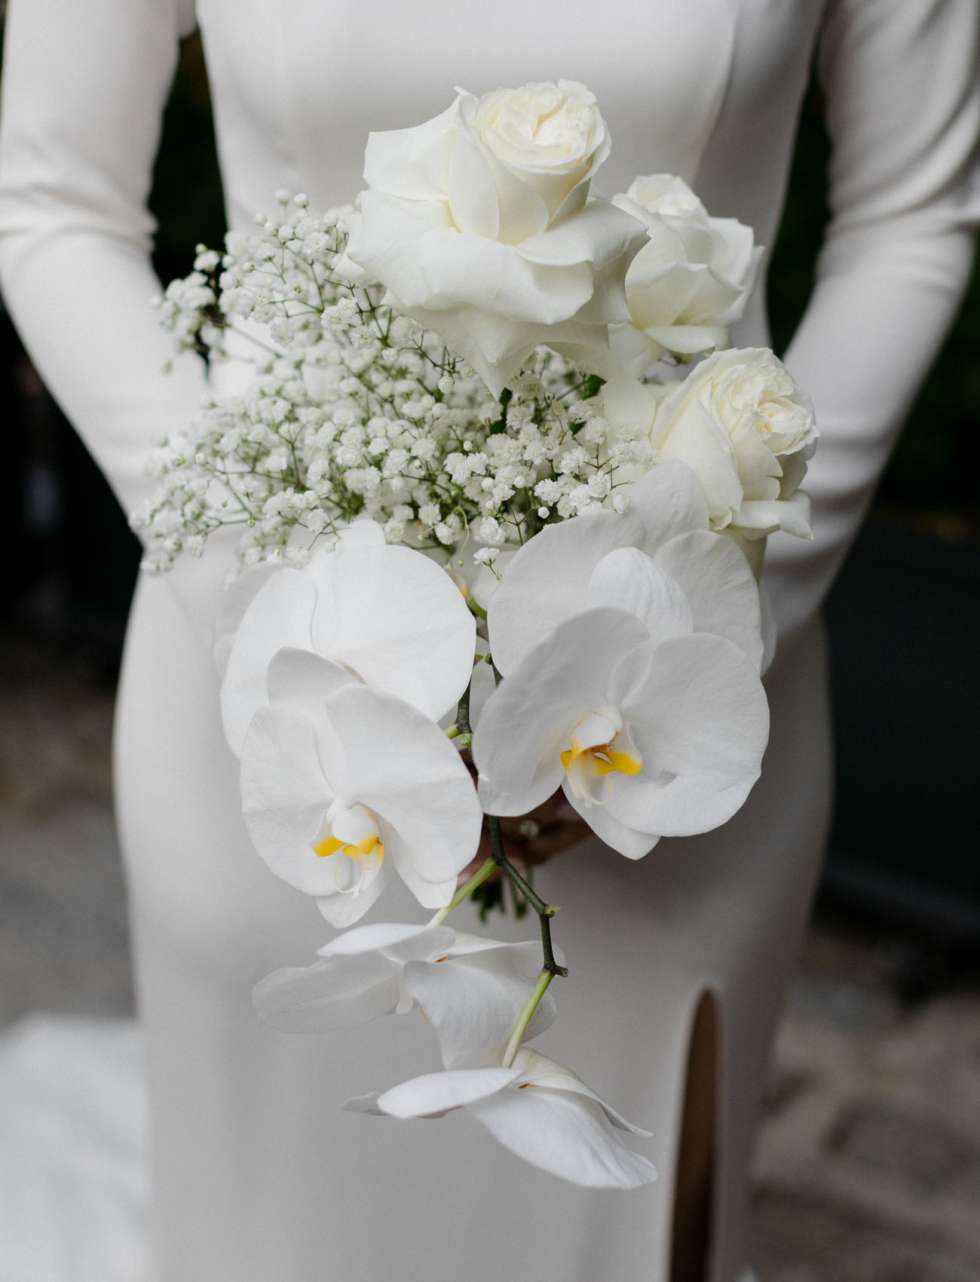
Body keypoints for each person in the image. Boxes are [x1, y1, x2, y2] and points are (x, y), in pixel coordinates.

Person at [0, 3, 977, 1280]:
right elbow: (53, 200)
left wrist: (710, 624)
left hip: (658, 731)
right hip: (282, 724)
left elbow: (912, 212)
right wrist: (285, 631)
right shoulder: (276, 653)